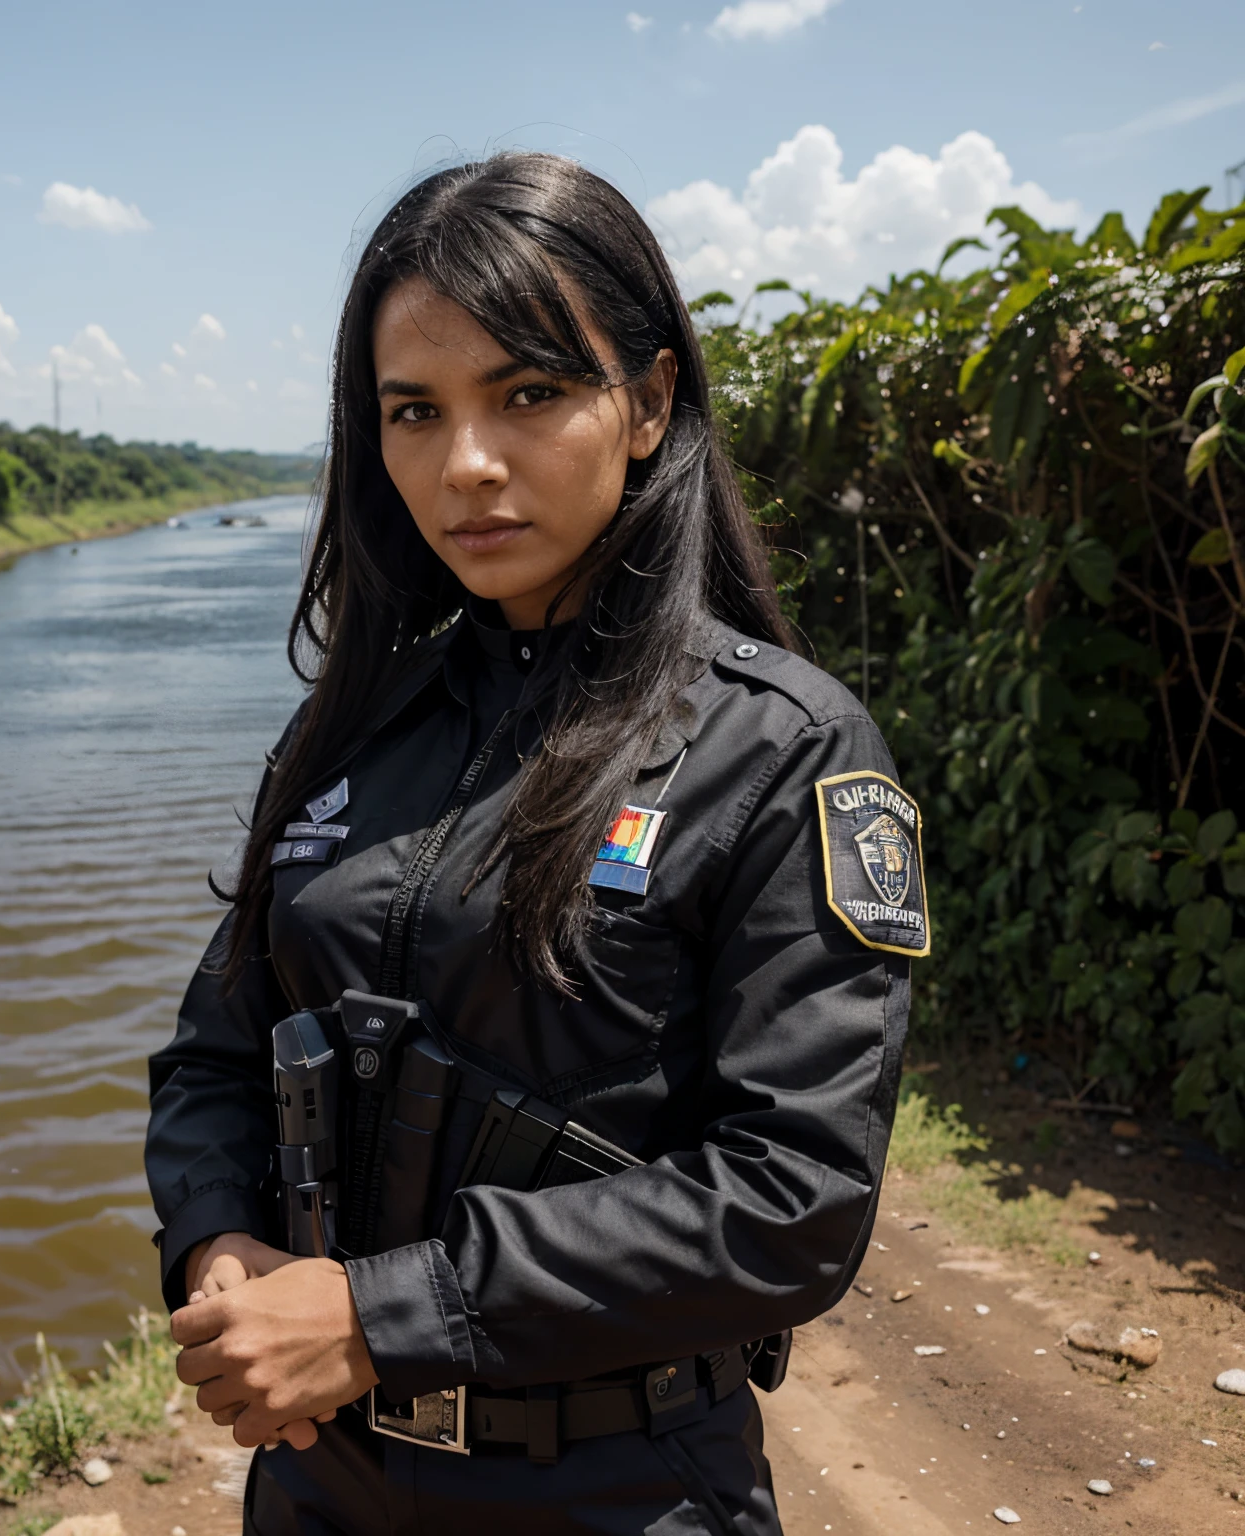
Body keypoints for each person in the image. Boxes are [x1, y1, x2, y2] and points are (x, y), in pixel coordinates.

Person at [145, 151, 926, 1536]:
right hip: (324, 1486)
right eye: (413, 412)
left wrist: (385, 1312)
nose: (467, 465)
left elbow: (795, 1195)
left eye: (530, 392)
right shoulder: (347, 732)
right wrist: (216, 1243)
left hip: (617, 1490)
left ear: (650, 402)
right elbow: (219, 1047)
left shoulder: (781, 750)